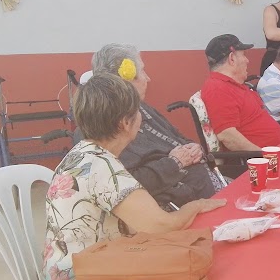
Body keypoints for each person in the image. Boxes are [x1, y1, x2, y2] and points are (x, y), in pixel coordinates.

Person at [38, 74, 225, 280]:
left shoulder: (84, 153)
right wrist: (197, 205)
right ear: (125, 123)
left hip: (80, 273)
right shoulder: (103, 167)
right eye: (138, 112)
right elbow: (162, 226)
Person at [90, 44, 221, 207]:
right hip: (177, 205)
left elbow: (177, 136)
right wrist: (175, 162)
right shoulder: (108, 128)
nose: (148, 78)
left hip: (204, 184)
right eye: (142, 71)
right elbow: (127, 185)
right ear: (126, 79)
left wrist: (193, 148)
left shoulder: (141, 107)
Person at [201, 34, 280, 151]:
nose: (247, 61)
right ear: (232, 58)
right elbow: (228, 136)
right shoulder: (217, 88)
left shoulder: (233, 85)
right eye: (243, 55)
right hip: (264, 158)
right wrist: (263, 156)